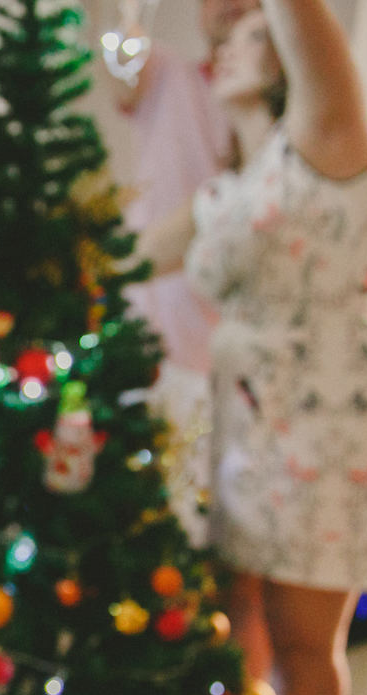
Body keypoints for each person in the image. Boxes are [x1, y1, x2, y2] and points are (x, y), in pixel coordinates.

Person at [134, 1, 367, 695]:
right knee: (237, 617)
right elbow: (125, 258)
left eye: (249, 36)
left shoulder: (331, 140)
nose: (224, 46)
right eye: (221, 39)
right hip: (247, 437)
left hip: (331, 440)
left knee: (306, 643)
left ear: (294, 61)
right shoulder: (229, 190)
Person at [105, 0, 258, 545]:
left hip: (228, 360)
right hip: (152, 330)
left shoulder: (279, 144)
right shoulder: (168, 74)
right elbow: (119, 63)